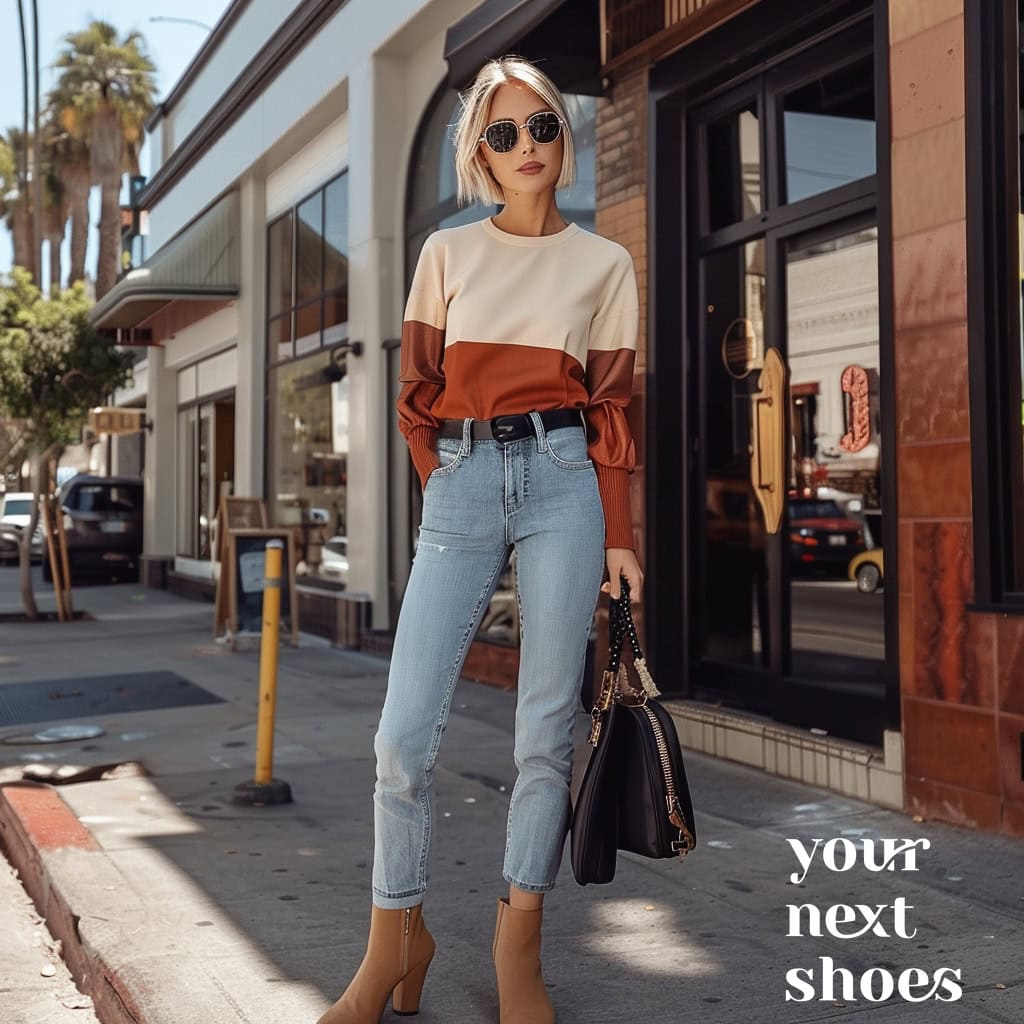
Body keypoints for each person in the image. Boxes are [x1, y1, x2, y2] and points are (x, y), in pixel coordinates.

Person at [316, 54, 644, 1024]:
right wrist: (445, 485)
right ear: (479, 155)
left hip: (563, 482)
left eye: (541, 125)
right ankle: (394, 940)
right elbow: (415, 394)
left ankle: (518, 948)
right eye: (502, 134)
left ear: (564, 135)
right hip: (461, 486)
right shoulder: (447, 255)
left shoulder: (605, 265)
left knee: (543, 731)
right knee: (400, 737)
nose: (527, 146)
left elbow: (615, 410)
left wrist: (619, 536)